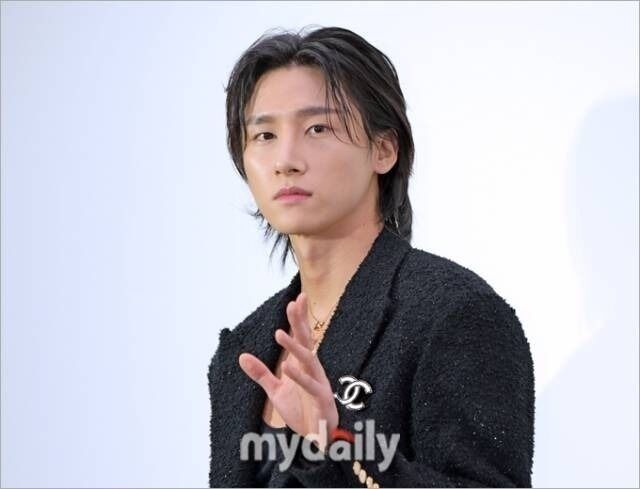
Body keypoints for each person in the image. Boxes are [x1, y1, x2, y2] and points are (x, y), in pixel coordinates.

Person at [208, 25, 535, 488]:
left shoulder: (454, 314)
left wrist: (337, 447)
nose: (286, 160)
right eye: (264, 135)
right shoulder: (242, 352)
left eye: (317, 128)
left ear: (383, 150)